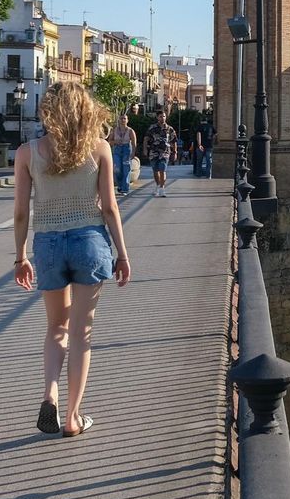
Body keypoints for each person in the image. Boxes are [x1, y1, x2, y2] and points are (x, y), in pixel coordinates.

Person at [12, 81, 131, 438]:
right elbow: (109, 207)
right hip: (90, 241)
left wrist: (20, 256)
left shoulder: (27, 152)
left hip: (47, 244)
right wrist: (122, 254)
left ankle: (50, 392)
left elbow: (20, 213)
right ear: (85, 109)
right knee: (82, 332)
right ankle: (73, 417)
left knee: (56, 328)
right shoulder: (99, 149)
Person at [142, 110, 177, 198]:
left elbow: (174, 141)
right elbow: (146, 138)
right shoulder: (152, 128)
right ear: (157, 117)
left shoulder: (170, 129)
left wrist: (175, 152)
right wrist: (145, 149)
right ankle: (158, 185)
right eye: (161, 116)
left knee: (162, 169)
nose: (163, 118)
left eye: (164, 116)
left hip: (165, 152)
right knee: (155, 170)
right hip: (154, 152)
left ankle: (162, 188)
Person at [107, 113, 136, 196]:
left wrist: (133, 152)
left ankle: (125, 189)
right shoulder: (114, 130)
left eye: (125, 118)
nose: (123, 120)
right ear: (119, 120)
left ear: (127, 120)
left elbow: (134, 143)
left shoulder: (130, 131)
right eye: (122, 118)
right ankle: (120, 185)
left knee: (126, 169)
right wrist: (115, 142)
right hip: (117, 150)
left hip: (126, 150)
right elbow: (109, 141)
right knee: (117, 169)